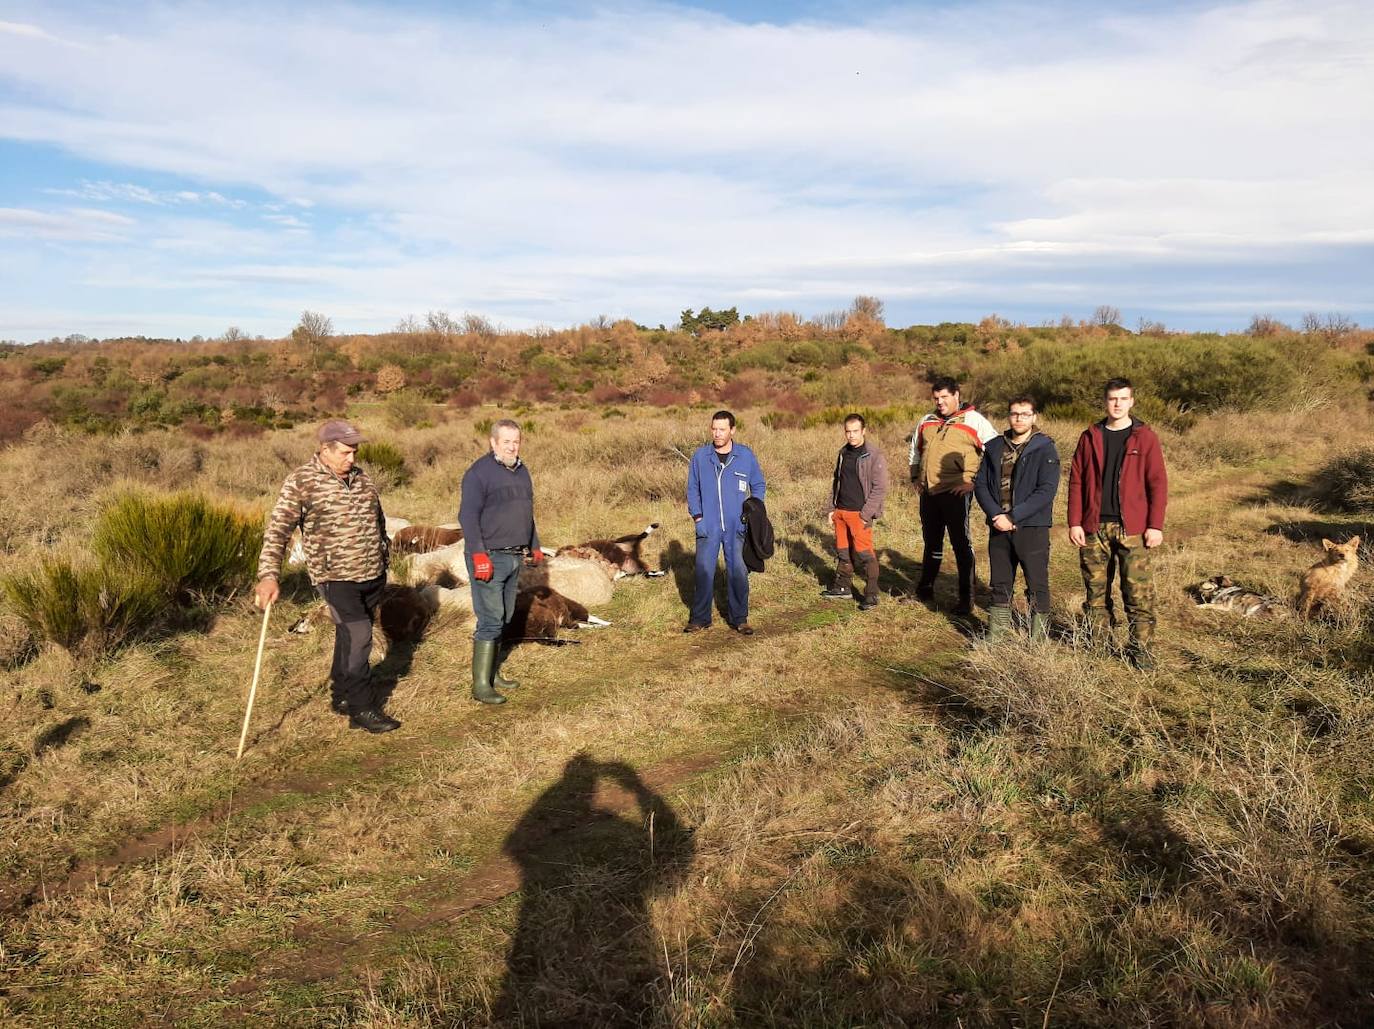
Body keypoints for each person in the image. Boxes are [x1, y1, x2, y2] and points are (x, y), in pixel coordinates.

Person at [255, 419, 399, 734]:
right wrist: (269, 575)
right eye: (346, 452)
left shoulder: (363, 480)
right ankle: (363, 709)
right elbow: (278, 531)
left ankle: (341, 695)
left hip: (372, 573)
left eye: (355, 452)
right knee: (361, 634)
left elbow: (379, 521)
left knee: (349, 636)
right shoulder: (302, 481)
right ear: (325, 449)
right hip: (334, 576)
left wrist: (384, 556)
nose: (353, 459)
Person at [1066, 378, 1169, 669]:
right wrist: (1075, 522)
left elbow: (1158, 484)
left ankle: (1141, 651)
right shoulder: (1090, 436)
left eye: (1123, 398)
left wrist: (1155, 525)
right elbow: (1076, 481)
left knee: (1137, 593)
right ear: (1105, 401)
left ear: (1131, 402)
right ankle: (1099, 645)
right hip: (1094, 526)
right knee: (1096, 592)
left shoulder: (1145, 437)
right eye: (1112, 398)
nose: (1117, 404)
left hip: (1133, 528)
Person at [458, 418, 543, 704]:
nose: (512, 446)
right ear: (493, 442)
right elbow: (467, 517)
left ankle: (493, 674)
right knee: (491, 619)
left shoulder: (522, 471)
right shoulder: (478, 474)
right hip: (488, 557)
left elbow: (526, 511)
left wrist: (535, 544)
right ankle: (480, 685)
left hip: (514, 555)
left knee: (505, 616)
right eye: (505, 441)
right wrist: (479, 555)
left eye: (516, 441)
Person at [973, 395, 1060, 642]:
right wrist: (996, 515)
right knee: (1000, 582)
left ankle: (1038, 639)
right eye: (1014, 413)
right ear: (1008, 416)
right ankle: (996, 636)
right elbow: (981, 485)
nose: (1018, 418)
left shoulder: (1044, 448)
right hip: (998, 525)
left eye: (1024, 414)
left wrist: (1013, 516)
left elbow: (1046, 490)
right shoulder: (994, 447)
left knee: (1037, 583)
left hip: (1031, 526)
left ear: (1034, 417)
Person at [908, 377, 998, 614]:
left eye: (944, 397)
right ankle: (925, 589)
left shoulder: (975, 421)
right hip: (929, 493)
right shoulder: (926, 421)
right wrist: (915, 477)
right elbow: (915, 450)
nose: (940, 402)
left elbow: (996, 455)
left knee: (961, 544)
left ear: (957, 395)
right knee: (931, 542)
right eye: (936, 398)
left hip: (956, 492)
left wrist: (975, 483)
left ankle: (966, 598)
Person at [684, 410, 766, 635]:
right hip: (708, 525)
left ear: (732, 430)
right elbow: (692, 489)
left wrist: (754, 509)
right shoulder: (700, 457)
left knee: (738, 571)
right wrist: (698, 516)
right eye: (714, 429)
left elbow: (758, 485)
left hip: (736, 525)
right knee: (703, 571)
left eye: (722, 429)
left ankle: (739, 618)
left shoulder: (745, 456)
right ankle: (700, 618)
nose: (717, 433)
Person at [820, 413, 890, 610]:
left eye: (855, 431)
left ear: (864, 431)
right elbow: (836, 482)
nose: (851, 436)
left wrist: (865, 514)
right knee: (843, 552)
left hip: (859, 514)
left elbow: (880, 487)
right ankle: (843, 588)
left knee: (865, 554)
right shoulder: (843, 453)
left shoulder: (873, 455)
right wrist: (831, 509)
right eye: (848, 432)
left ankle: (871, 595)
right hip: (841, 512)